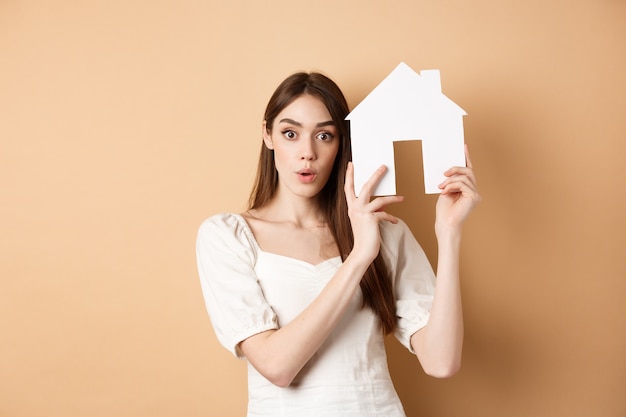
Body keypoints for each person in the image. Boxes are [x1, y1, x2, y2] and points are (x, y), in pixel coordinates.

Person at [196, 71, 480, 417]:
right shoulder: (229, 236)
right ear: (267, 135)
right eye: (290, 133)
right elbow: (277, 367)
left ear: (341, 144)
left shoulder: (385, 231)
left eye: (324, 136)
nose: (308, 153)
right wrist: (359, 257)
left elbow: (441, 361)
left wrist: (448, 233)